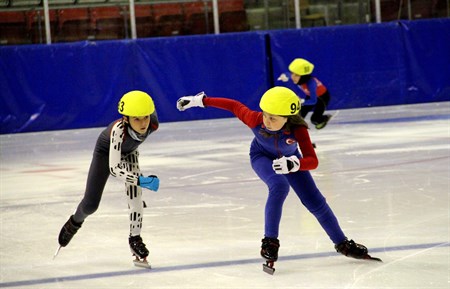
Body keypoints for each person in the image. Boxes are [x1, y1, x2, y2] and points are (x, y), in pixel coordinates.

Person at [176, 87, 379, 273]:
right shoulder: (255, 119)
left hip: (291, 161)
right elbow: (234, 105)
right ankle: (270, 242)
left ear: (288, 118)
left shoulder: (298, 130)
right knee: (279, 186)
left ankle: (342, 243)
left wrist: (294, 164)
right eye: (265, 115)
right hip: (261, 156)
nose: (266, 121)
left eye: (273, 118)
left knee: (316, 202)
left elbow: (312, 160)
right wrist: (199, 101)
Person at [57, 90, 160, 266]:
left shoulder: (153, 123)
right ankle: (74, 221)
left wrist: (137, 182)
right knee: (90, 205)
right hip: (107, 154)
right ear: (126, 119)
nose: (143, 123)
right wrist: (142, 180)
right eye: (136, 119)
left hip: (130, 152)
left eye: (145, 117)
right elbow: (115, 168)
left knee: (135, 196)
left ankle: (135, 239)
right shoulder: (118, 131)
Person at [278, 58, 332, 129]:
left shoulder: (311, 84)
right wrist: (284, 75)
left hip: (322, 98)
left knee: (314, 119)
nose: (293, 77)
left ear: (303, 76)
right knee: (299, 115)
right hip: (310, 96)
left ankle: (325, 118)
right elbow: (289, 75)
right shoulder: (298, 77)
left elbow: (313, 101)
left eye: (296, 75)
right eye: (292, 73)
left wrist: (302, 101)